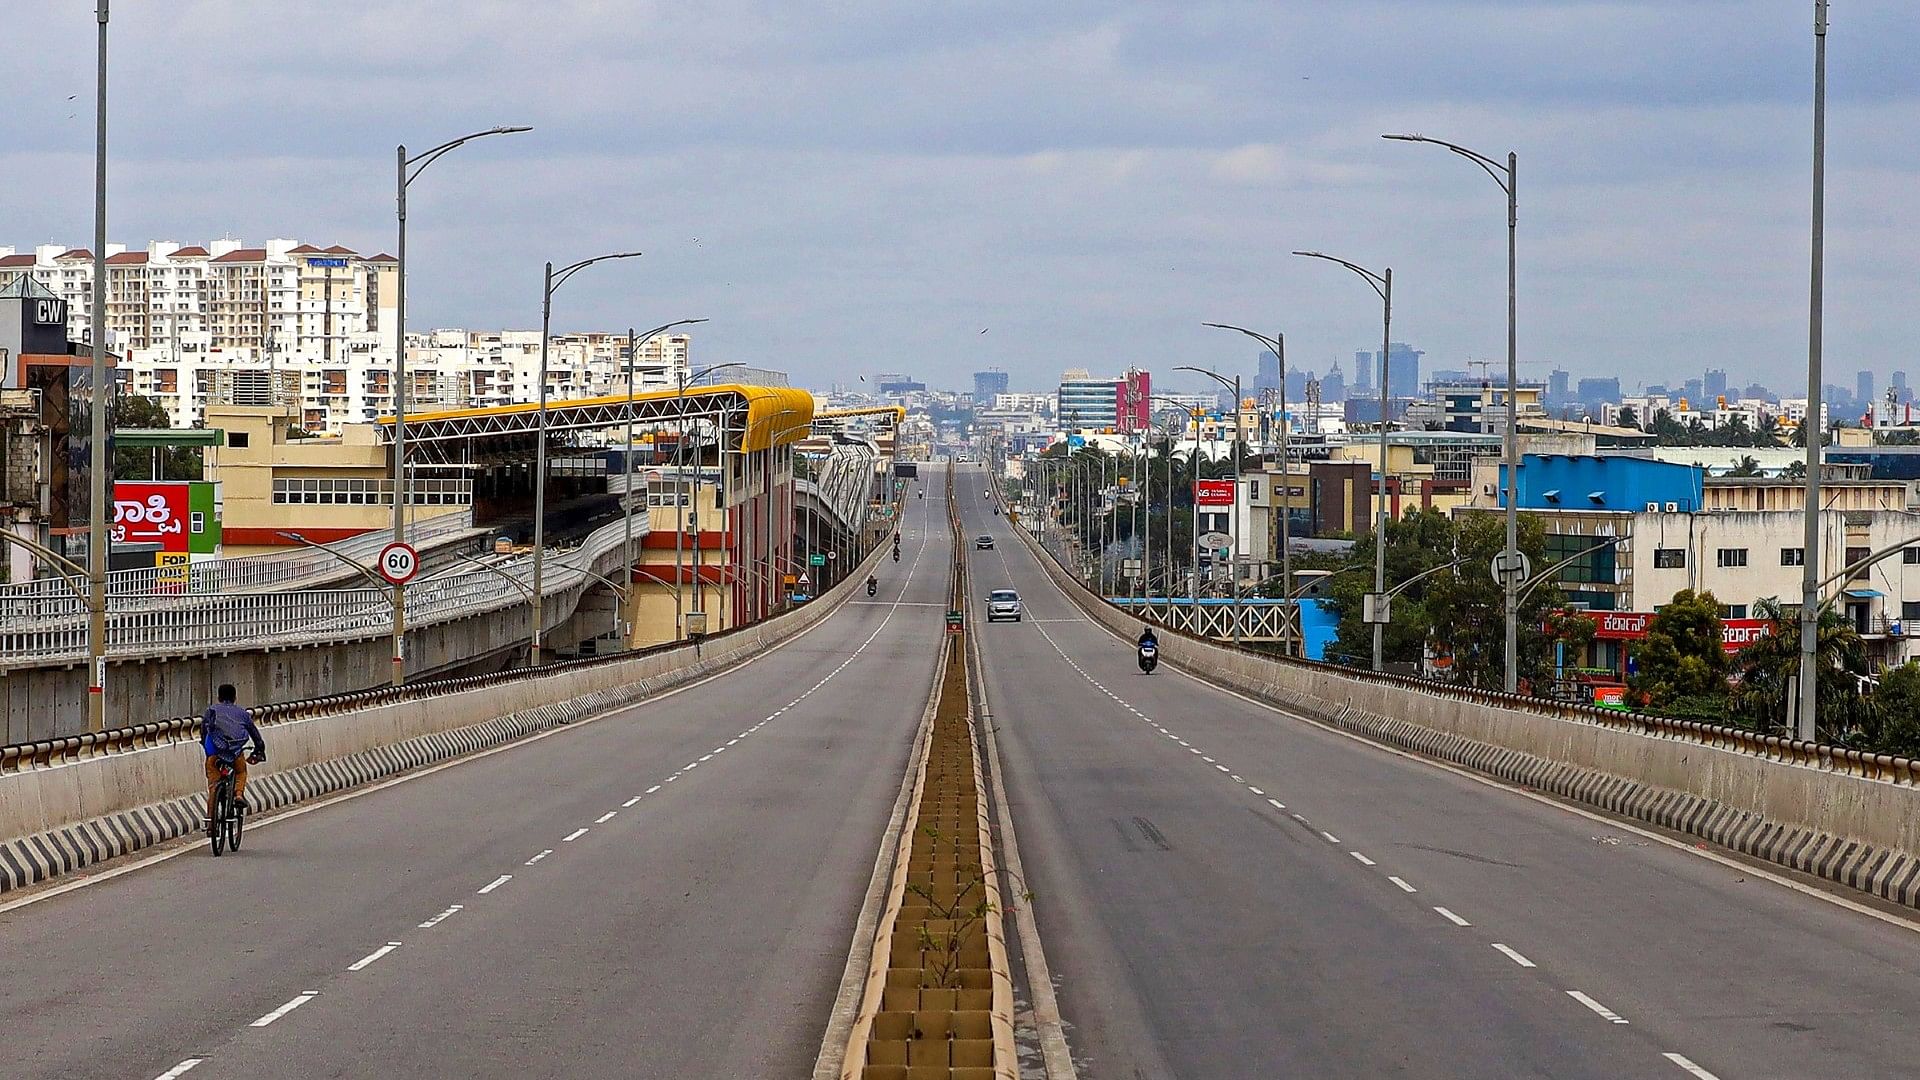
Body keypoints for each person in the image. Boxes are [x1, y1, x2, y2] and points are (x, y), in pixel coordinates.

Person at [203, 683, 266, 817]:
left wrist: (206, 747)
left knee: (213, 786)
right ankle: (238, 795)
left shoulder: (211, 711)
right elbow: (255, 735)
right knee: (241, 771)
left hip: (215, 755)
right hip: (235, 753)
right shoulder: (243, 714)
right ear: (235, 697)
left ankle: (210, 823)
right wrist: (259, 750)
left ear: (219, 697)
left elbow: (204, 732)